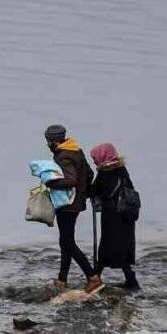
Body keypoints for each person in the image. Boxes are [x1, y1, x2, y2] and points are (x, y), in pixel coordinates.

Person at [44, 124, 102, 293]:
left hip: (66, 204)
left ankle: (92, 277)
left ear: (53, 141)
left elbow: (72, 180)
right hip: (76, 203)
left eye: (48, 141)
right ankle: (62, 279)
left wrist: (50, 182)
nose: (47, 144)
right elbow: (89, 175)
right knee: (66, 241)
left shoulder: (63, 156)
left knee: (67, 242)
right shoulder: (76, 150)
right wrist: (85, 194)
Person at [89, 143, 140, 290]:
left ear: (102, 156)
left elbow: (93, 191)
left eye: (95, 158)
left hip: (112, 216)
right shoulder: (121, 168)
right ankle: (131, 280)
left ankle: (95, 277)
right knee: (123, 247)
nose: (94, 161)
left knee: (107, 247)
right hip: (126, 214)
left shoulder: (105, 172)